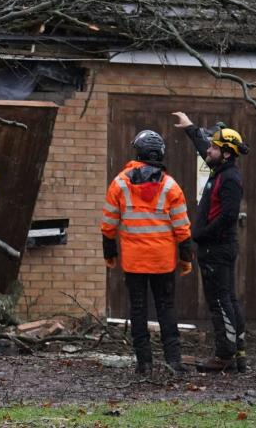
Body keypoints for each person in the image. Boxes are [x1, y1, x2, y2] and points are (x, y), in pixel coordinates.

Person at [101, 129, 194, 375]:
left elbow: (108, 223)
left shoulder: (120, 183)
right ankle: (173, 361)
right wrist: (186, 259)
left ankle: (144, 363)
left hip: (134, 262)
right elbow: (182, 227)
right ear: (160, 153)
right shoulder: (171, 186)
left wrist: (109, 253)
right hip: (163, 261)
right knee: (166, 308)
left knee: (138, 310)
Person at [172, 112, 248, 373]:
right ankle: (237, 352)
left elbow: (227, 217)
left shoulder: (229, 179)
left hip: (217, 249)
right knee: (227, 298)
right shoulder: (221, 170)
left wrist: (201, 235)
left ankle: (225, 356)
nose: (209, 149)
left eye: (215, 147)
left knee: (219, 301)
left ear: (226, 153)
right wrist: (190, 128)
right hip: (216, 248)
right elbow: (204, 147)